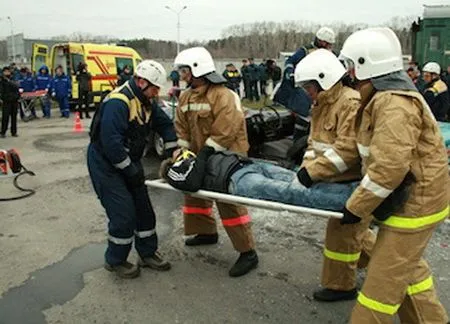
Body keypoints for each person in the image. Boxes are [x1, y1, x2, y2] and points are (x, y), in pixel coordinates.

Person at [339, 27, 449, 323]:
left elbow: (389, 167)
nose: (349, 72)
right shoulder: (380, 97)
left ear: (366, 65)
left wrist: (356, 207)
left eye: (352, 65)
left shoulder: (392, 104)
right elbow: (368, 152)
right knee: (409, 272)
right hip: (415, 199)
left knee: (380, 287)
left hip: (413, 206)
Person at [292, 48, 378, 302]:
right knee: (353, 234)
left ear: (324, 78)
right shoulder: (322, 105)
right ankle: (382, 266)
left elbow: (348, 149)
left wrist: (313, 172)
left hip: (351, 183)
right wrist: (305, 170)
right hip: (333, 180)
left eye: (309, 86)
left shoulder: (349, 103)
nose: (307, 92)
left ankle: (342, 287)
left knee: (344, 236)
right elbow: (314, 144)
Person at [87, 60, 178, 279]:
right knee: (123, 214)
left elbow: (164, 125)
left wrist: (172, 150)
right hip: (106, 164)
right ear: (140, 81)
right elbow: (111, 144)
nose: (157, 93)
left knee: (144, 210)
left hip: (128, 159)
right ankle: (116, 260)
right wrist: (130, 170)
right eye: (155, 88)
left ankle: (147, 253)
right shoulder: (119, 103)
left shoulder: (146, 100)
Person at [174, 47, 258, 277]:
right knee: (193, 193)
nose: (182, 75)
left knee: (228, 202)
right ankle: (206, 233)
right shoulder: (186, 96)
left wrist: (205, 155)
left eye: (185, 70)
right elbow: (181, 127)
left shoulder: (224, 95)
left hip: (227, 157)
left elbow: (226, 130)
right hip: (200, 155)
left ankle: (248, 252)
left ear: (197, 69)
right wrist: (182, 155)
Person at [274, 27, 335, 116]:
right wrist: (289, 71)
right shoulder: (305, 51)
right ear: (320, 40)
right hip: (306, 86)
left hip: (323, 86)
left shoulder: (330, 54)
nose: (328, 45)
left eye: (330, 44)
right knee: (303, 112)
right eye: (326, 43)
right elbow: (291, 61)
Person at [0, 66, 20, 138]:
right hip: (6, 101)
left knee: (14, 118)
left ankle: (14, 132)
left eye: (8, 71)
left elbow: (17, 87)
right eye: (5, 72)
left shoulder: (13, 79)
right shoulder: (2, 81)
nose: (7, 73)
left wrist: (18, 97)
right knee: (5, 118)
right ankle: (3, 132)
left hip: (14, 101)